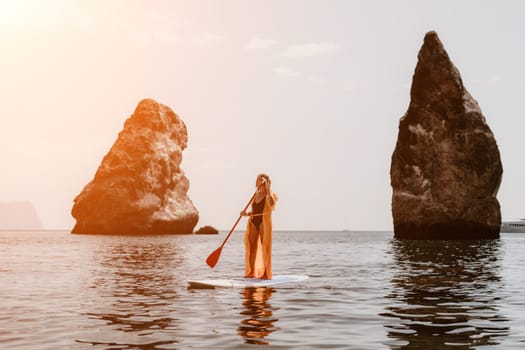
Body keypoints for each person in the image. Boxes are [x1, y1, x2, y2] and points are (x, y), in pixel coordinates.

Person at [240, 174, 278, 279]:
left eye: (259, 180)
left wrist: (268, 190)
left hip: (263, 222)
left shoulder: (270, 195)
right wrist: (246, 214)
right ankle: (251, 272)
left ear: (264, 182)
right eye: (257, 180)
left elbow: (271, 204)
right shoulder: (255, 195)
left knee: (264, 247)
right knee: (252, 248)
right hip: (253, 222)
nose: (256, 182)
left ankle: (265, 273)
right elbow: (254, 211)